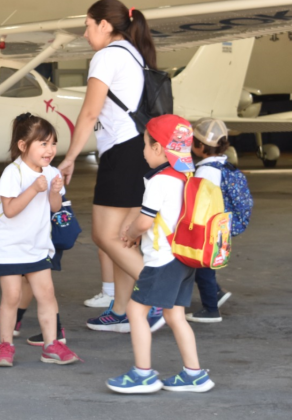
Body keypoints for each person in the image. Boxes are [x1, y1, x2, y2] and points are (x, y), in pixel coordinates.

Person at [57, 0, 162, 333]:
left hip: (122, 152)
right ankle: (121, 311)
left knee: (104, 236)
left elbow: (90, 113)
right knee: (123, 237)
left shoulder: (107, 56)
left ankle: (158, 297)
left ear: (104, 25)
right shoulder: (133, 52)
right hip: (137, 149)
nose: (85, 33)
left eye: (88, 25)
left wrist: (70, 156)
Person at [107, 115, 214, 393]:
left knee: (135, 310)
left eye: (145, 145)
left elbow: (144, 222)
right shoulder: (186, 176)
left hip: (162, 259)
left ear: (158, 149)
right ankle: (194, 374)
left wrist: (130, 234)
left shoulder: (159, 181)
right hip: (183, 257)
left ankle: (143, 374)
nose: (143, 151)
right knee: (175, 315)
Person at [0, 113, 81, 367]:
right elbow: (9, 210)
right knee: (11, 296)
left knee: (47, 294)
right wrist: (33, 189)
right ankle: (6, 346)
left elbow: (54, 208)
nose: (50, 149)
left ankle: (52, 345)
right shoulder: (13, 172)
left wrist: (54, 191)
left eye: (53, 143)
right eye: (43, 143)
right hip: (9, 246)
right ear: (23, 145)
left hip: (37, 246)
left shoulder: (51, 172)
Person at [187, 118, 234, 323]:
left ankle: (211, 310)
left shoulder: (205, 171)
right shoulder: (224, 164)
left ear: (200, 146)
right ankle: (216, 293)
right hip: (221, 225)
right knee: (206, 265)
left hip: (207, 228)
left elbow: (199, 203)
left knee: (203, 269)